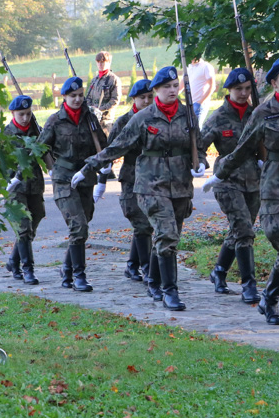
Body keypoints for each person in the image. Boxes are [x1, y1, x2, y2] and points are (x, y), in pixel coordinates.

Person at [203, 55, 279, 336]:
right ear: (273, 82)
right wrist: (219, 175)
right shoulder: (264, 112)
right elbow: (244, 147)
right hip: (275, 189)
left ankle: (269, 298)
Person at [75, 66, 208, 310]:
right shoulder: (143, 118)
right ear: (156, 90)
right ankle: (170, 291)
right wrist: (89, 167)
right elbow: (117, 147)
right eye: (166, 87)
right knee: (166, 235)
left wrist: (201, 163)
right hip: (150, 185)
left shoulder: (187, 114)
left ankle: (155, 282)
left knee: (169, 237)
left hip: (180, 186)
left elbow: (198, 146)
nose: (172, 90)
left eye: (174, 86)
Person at [38, 77, 107, 291]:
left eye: (80, 95)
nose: (77, 99)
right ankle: (79, 276)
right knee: (78, 226)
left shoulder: (90, 118)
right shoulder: (55, 120)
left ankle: (67, 270)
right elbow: (40, 148)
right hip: (64, 178)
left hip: (85, 176)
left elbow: (104, 146)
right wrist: (51, 167)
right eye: (72, 96)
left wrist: (97, 127)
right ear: (64, 97)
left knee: (84, 221)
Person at [199, 68, 262, 303]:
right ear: (229, 90)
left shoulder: (258, 114)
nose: (243, 93)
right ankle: (249, 285)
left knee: (238, 229)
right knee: (245, 231)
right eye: (238, 89)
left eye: (247, 89)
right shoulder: (218, 117)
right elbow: (199, 145)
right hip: (226, 181)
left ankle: (219, 272)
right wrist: (200, 162)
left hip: (254, 181)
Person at [108, 78, 155, 283]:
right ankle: (147, 268)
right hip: (132, 178)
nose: (146, 101)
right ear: (133, 99)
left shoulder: (157, 118)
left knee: (145, 225)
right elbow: (110, 150)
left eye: (150, 97)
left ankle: (132, 265)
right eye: (142, 97)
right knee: (141, 222)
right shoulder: (123, 121)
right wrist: (101, 177)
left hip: (155, 178)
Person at [4, 95, 45, 285]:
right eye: (21, 114)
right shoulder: (7, 134)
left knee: (37, 216)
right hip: (14, 186)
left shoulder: (36, 131)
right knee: (23, 228)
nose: (25, 118)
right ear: (13, 113)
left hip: (34, 183)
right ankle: (27, 269)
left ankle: (14, 260)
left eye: (28, 114)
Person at [85, 51, 122, 133]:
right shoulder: (94, 80)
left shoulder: (114, 80)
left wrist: (99, 110)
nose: (100, 64)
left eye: (102, 62)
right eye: (98, 62)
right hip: (93, 119)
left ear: (109, 62)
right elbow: (88, 97)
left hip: (106, 121)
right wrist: (92, 109)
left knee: (106, 143)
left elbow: (115, 100)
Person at [186, 55, 216, 126]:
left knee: (197, 129)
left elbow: (212, 86)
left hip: (200, 105)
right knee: (189, 129)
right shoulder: (188, 67)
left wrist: (199, 103)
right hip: (189, 104)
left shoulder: (206, 66)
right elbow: (181, 85)